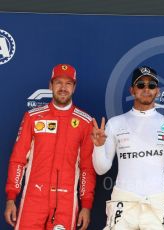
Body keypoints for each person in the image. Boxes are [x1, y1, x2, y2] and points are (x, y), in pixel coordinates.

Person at [91, 66, 164, 230]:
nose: (146, 89)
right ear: (132, 90)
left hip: (157, 201)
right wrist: (98, 147)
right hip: (124, 201)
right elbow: (101, 169)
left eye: (151, 85)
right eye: (140, 85)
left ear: (158, 91)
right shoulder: (115, 123)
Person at [4, 64, 96, 230]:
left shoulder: (85, 122)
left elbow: (87, 168)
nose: (63, 88)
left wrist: (86, 206)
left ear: (74, 87)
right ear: (50, 85)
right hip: (33, 200)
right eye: (58, 82)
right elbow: (18, 160)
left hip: (66, 203)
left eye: (68, 83)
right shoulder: (33, 117)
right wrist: (11, 197)